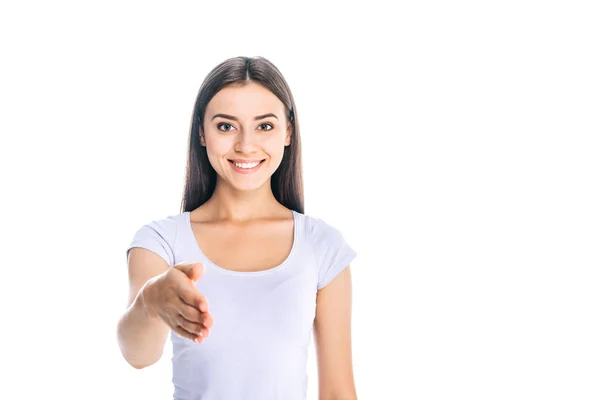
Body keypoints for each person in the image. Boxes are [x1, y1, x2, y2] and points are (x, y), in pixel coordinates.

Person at [117, 56, 358, 400]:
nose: (246, 145)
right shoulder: (161, 241)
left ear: (288, 132)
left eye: (264, 126)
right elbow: (138, 355)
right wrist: (151, 302)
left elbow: (338, 392)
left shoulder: (322, 246)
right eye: (226, 126)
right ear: (202, 132)